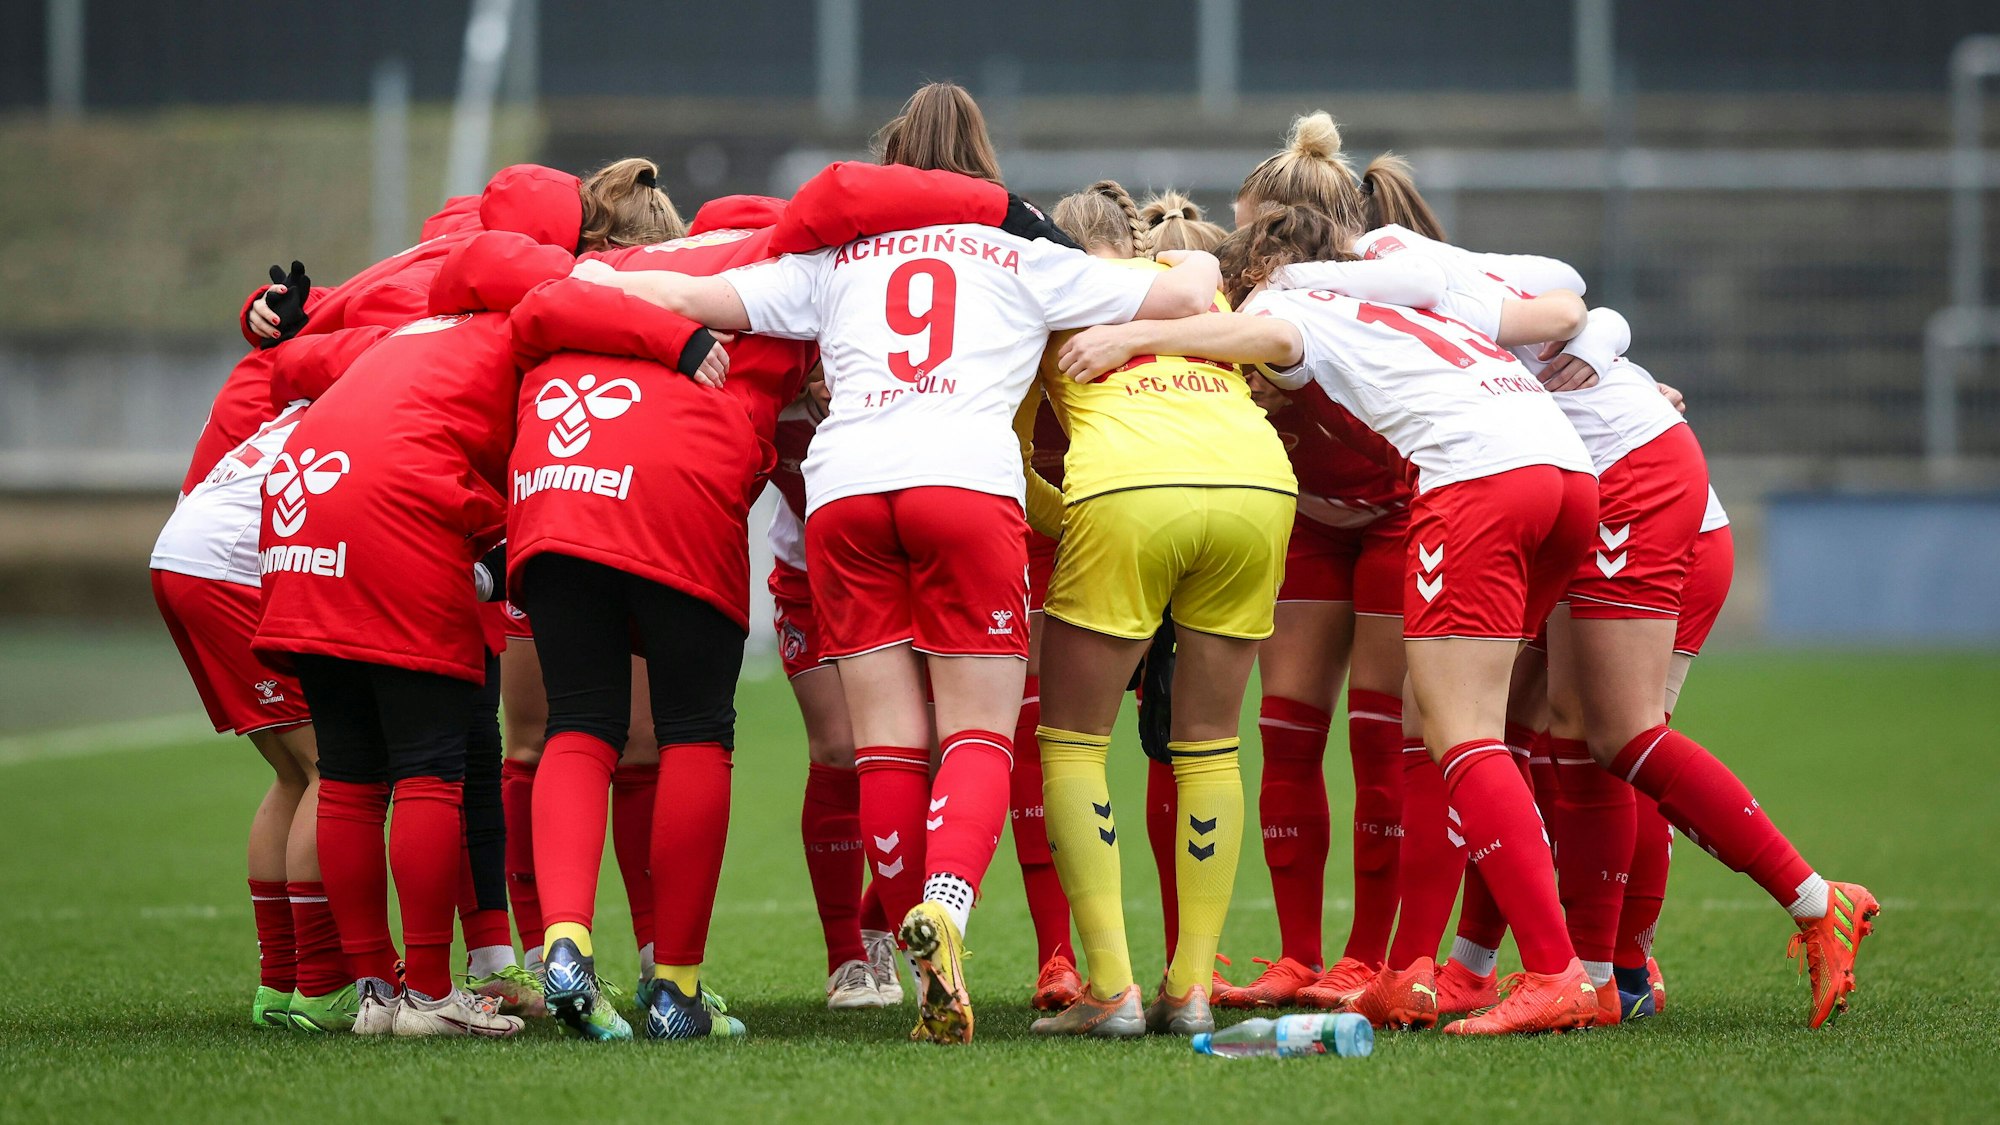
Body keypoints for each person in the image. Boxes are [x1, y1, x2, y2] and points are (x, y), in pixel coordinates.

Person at [574, 82, 1223, 1044]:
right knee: (977, 733)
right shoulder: (1020, 247)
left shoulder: (835, 259)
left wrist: (596, 291)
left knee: (883, 741)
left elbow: (672, 290)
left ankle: (914, 955)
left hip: (844, 490)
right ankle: (945, 909)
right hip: (962, 482)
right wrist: (1164, 267)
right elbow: (1190, 290)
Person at [512, 147, 1028, 1042]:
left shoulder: (606, 274)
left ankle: (561, 938)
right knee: (718, 736)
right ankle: (688, 985)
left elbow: (516, 296)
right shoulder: (772, 269)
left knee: (579, 723)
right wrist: (1010, 210)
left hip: (562, 490)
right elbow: (843, 194)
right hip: (707, 513)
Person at [1059, 203, 1609, 1035]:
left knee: (1459, 735)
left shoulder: (1294, 303)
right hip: (1565, 472)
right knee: (1481, 729)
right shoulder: (1395, 293)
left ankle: (1554, 970)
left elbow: (1266, 336)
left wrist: (1126, 338)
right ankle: (1459, 969)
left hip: (1479, 480)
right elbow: (1560, 299)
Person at [252, 226, 585, 1037]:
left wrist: (276, 318)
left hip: (301, 521)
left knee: (350, 773)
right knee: (432, 770)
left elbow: (289, 368)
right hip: (392, 522)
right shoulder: (534, 329)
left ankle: (376, 992)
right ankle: (432, 994)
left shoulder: (407, 329)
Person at [1014, 180, 1296, 1039]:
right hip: (1259, 486)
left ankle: (1110, 988)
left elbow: (1013, 454)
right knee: (1210, 744)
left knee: (1072, 743)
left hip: (1128, 490)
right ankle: (1193, 988)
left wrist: (1071, 518)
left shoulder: (1045, 291)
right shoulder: (1190, 280)